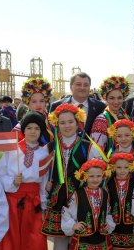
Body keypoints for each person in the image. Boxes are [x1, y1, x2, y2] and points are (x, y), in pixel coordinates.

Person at [0, 111, 51, 250]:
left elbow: (43, 181)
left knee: (34, 238)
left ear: (41, 131)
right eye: (29, 128)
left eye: (37, 128)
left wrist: (43, 204)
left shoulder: (45, 152)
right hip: (13, 201)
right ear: (23, 130)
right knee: (13, 237)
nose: (33, 132)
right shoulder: (12, 149)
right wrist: (12, 181)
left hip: (34, 201)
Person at [41, 104, 90, 249]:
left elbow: (97, 174)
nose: (67, 126)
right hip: (58, 200)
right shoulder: (49, 147)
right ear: (56, 124)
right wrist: (46, 185)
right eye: (62, 122)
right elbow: (42, 173)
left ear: (77, 123)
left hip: (80, 199)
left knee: (79, 241)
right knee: (60, 242)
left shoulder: (88, 147)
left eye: (70, 122)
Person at [61, 159, 115, 249]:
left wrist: (108, 223)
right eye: (91, 176)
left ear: (103, 176)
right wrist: (73, 225)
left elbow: (108, 212)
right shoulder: (78, 194)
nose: (95, 179)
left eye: (98, 176)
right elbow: (66, 211)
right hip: (83, 239)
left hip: (101, 238)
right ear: (85, 177)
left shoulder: (105, 193)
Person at [90, 75, 131, 154]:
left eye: (119, 98)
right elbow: (96, 151)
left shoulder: (126, 116)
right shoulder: (101, 120)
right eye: (112, 98)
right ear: (106, 99)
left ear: (123, 98)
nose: (116, 102)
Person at [106, 153, 134, 249]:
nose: (122, 170)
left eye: (126, 167)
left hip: (131, 224)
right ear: (113, 167)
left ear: (131, 167)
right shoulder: (109, 183)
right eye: (119, 167)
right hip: (113, 224)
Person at [13, 77, 54, 144]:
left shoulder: (52, 123)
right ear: (28, 103)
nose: (38, 105)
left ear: (46, 102)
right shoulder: (20, 127)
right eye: (34, 102)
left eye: (41, 101)